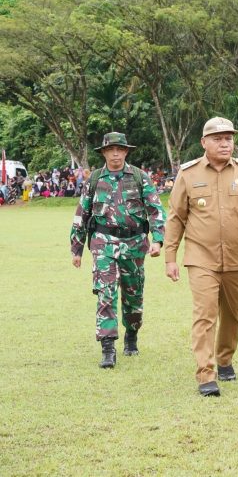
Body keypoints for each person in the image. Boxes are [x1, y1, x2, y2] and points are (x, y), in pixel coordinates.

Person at [164, 117, 238, 397]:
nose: (225, 143)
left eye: (229, 138)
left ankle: (225, 359)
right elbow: (176, 218)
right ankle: (206, 373)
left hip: (236, 256)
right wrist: (170, 257)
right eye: (218, 138)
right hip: (201, 256)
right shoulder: (188, 174)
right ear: (204, 143)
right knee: (205, 313)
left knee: (232, 314)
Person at [70, 132, 166, 368]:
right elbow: (82, 214)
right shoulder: (94, 179)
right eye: (110, 149)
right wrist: (76, 248)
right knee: (106, 293)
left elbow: (155, 209)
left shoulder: (139, 177)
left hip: (134, 245)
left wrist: (158, 239)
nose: (115, 153)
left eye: (119, 149)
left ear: (126, 152)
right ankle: (108, 347)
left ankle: (131, 334)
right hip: (103, 242)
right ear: (103, 152)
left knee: (133, 296)